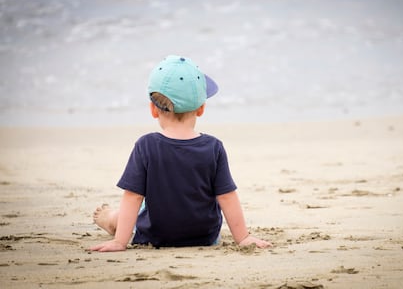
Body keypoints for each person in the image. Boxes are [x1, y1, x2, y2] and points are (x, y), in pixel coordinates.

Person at [90, 55, 272, 252]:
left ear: (153, 109)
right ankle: (112, 218)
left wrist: (120, 242)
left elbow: (133, 196)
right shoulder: (214, 147)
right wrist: (243, 237)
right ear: (201, 108)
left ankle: (111, 219)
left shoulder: (146, 145)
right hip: (204, 236)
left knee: (140, 210)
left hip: (156, 235)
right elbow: (226, 196)